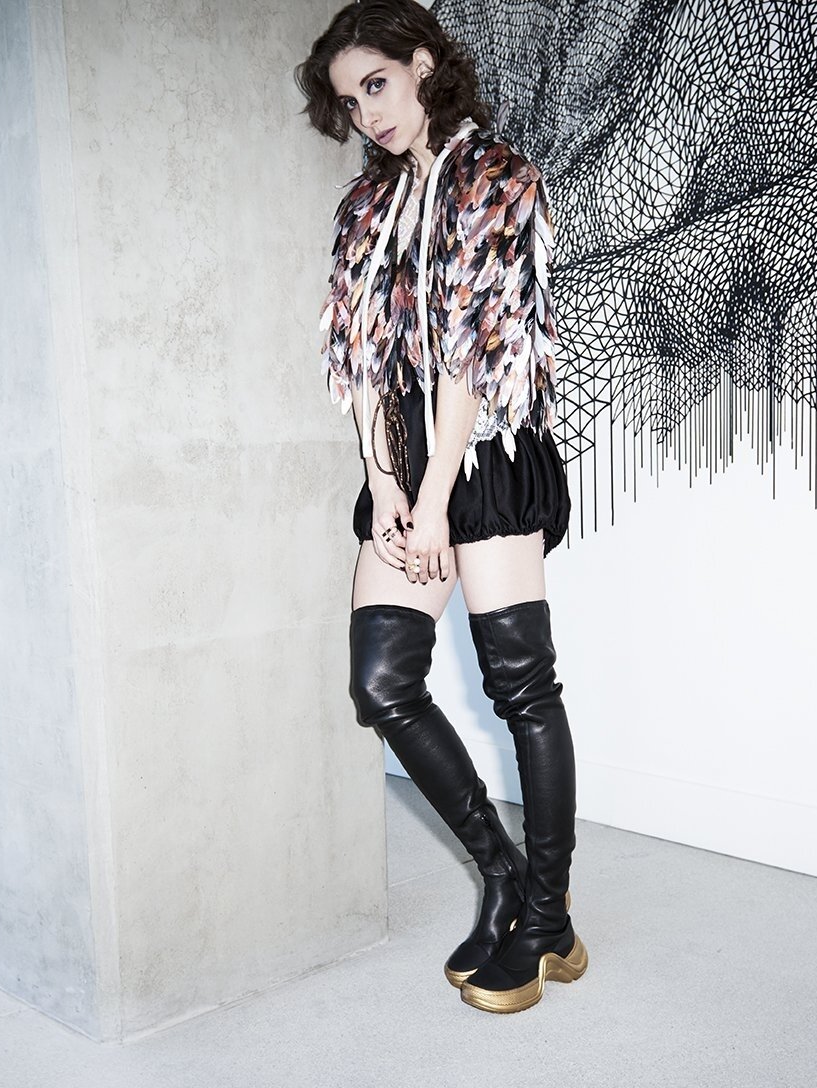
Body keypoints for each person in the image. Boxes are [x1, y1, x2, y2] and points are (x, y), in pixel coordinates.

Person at [295, 0, 585, 1014]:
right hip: (404, 459)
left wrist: (435, 502)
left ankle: (546, 917)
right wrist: (385, 486)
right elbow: (362, 363)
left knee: (522, 687)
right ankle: (502, 874)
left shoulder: (496, 177)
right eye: (349, 100)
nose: (366, 112)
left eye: (376, 83)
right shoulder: (363, 210)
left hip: (484, 451)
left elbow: (466, 352)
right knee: (381, 681)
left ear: (421, 64)